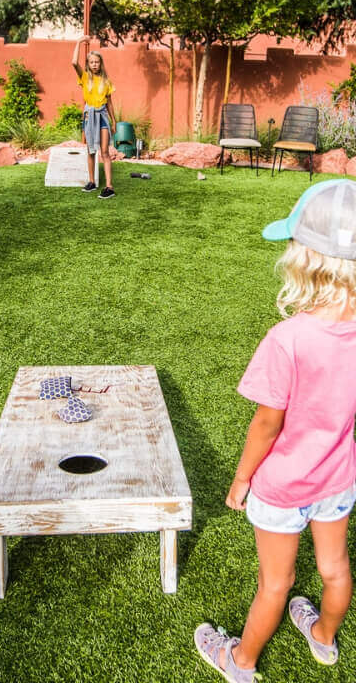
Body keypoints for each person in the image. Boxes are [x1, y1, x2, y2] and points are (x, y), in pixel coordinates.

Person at [195, 179, 356, 682]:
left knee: (276, 583)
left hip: (282, 487)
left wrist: (242, 478)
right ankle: (324, 640)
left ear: (305, 259)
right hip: (339, 481)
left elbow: (267, 424)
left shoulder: (286, 339)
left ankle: (240, 662)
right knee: (334, 569)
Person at [71, 37, 117, 198]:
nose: (95, 65)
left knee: (104, 151)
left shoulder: (106, 81)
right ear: (88, 64)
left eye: (97, 62)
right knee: (91, 150)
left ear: (100, 63)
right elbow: (73, 62)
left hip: (103, 115)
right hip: (90, 116)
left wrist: (114, 121)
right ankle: (92, 182)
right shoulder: (84, 77)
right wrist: (79, 42)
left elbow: (110, 103)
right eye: (92, 62)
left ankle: (109, 187)